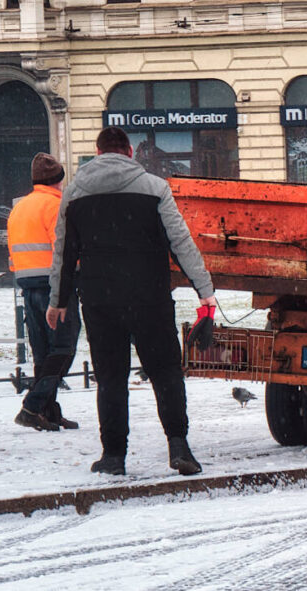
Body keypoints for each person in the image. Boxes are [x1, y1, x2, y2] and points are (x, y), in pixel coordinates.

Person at [46, 126, 217, 476]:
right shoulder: (155, 188)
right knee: (166, 371)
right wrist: (204, 289)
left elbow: (64, 252)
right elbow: (181, 242)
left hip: (99, 300)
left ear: (98, 152)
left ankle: (113, 455)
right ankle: (179, 447)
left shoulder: (75, 193)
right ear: (128, 152)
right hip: (149, 297)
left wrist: (57, 300)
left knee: (110, 377)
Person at [8, 153, 81, 431]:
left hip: (27, 286)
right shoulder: (58, 206)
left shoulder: (20, 207)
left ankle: (49, 412)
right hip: (55, 285)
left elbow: (13, 252)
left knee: (43, 354)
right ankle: (33, 406)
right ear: (60, 180)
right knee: (63, 348)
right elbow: (63, 249)